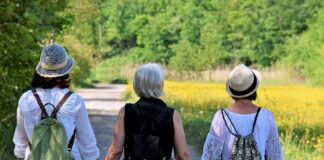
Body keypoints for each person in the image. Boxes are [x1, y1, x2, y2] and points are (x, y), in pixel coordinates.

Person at [13, 43, 99, 160]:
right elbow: (86, 141)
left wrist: (20, 156)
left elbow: (20, 143)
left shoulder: (26, 99)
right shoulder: (74, 100)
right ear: (65, 72)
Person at [106, 63, 192, 160]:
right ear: (160, 84)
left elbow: (115, 151)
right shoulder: (172, 115)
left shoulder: (126, 111)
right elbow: (182, 155)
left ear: (136, 84)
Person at [202, 64, 282, 160]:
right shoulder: (266, 116)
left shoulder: (221, 117)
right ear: (253, 90)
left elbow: (210, 155)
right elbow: (275, 154)